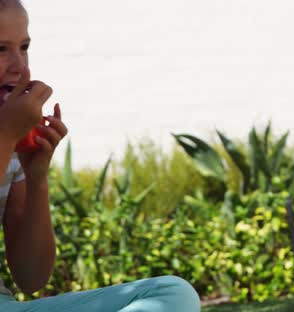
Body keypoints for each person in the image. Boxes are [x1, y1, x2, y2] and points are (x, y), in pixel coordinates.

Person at [0, 1, 200, 311]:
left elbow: (31, 276)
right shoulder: (7, 135)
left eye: (23, 47)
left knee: (173, 293)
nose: (20, 67)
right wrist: (6, 136)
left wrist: (36, 177)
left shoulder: (12, 143)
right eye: (1, 49)